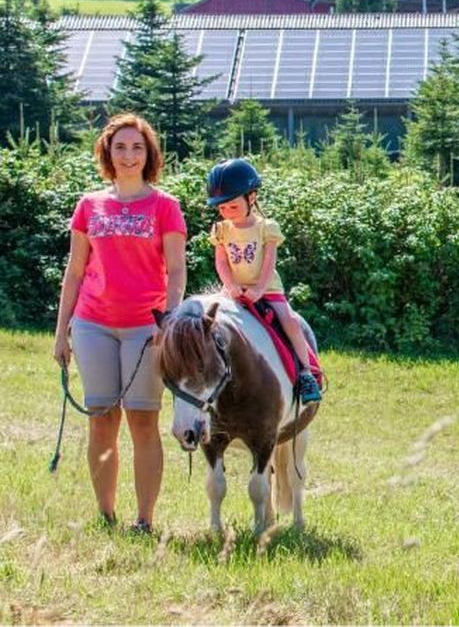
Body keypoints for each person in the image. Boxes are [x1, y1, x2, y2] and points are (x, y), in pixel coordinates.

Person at [52, 114, 187, 534]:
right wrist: (62, 331)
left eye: (137, 147)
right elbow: (74, 272)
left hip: (146, 330)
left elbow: (177, 269)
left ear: (149, 155)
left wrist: (169, 322)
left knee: (143, 421)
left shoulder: (165, 207)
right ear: (108, 153)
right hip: (92, 324)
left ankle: (144, 520)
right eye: (120, 147)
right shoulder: (89, 205)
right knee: (100, 420)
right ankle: (106, 516)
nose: (129, 155)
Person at [206, 158, 322, 405]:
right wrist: (230, 286)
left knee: (290, 321)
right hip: (233, 291)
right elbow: (221, 262)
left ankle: (306, 372)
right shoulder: (220, 229)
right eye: (222, 208)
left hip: (267, 290)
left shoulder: (267, 228)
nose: (226, 213)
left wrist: (259, 289)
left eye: (232, 207)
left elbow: (269, 263)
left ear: (252, 197)